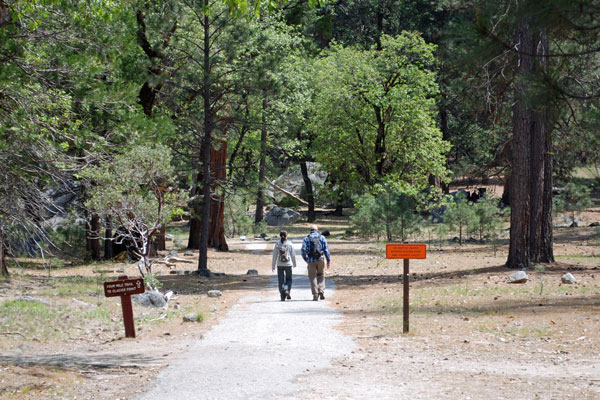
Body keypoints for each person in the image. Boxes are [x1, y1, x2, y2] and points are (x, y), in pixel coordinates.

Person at [301, 225, 331, 301]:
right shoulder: (322, 237)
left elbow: (303, 250)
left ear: (310, 230)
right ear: (317, 230)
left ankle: (315, 294)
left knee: (312, 276)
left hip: (311, 260)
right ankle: (321, 290)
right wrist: (328, 261)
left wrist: (306, 259)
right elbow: (326, 250)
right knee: (320, 274)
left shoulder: (306, 238)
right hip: (320, 259)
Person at [271, 230, 296, 301]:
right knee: (289, 279)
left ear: (280, 236)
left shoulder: (277, 244)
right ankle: (287, 289)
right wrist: (294, 263)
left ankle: (282, 296)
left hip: (280, 265)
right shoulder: (289, 244)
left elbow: (274, 255)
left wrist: (273, 266)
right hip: (288, 264)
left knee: (281, 280)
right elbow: (293, 255)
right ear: (286, 236)